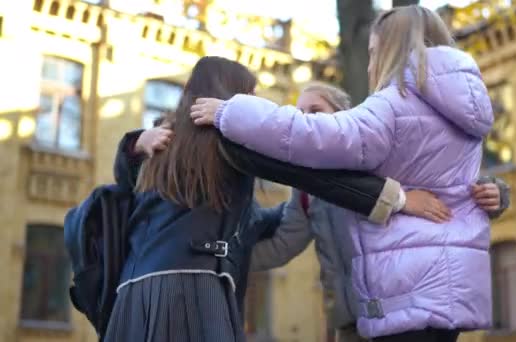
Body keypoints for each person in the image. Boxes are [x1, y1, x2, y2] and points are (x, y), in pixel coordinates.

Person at [191, 5, 496, 341]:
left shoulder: (395, 104)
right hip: (450, 289)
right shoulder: (463, 113)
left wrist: (231, 112)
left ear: (391, 50)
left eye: (373, 53)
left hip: (407, 288)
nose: (369, 64)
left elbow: (313, 136)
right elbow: (466, 190)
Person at [104, 56, 451, 342]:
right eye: (249, 96)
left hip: (133, 295)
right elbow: (311, 176)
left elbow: (124, 188)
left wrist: (132, 144)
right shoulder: (229, 138)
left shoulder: (159, 141)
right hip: (194, 289)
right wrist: (399, 199)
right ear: (231, 95)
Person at [249, 83, 510, 342]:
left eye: (315, 110)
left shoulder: (377, 160)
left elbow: (446, 187)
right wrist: (224, 261)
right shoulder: (305, 191)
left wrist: (495, 192)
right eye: (300, 113)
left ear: (343, 116)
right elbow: (284, 244)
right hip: (348, 325)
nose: (306, 119)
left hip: (395, 317)